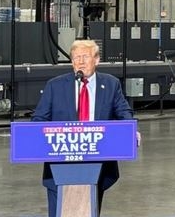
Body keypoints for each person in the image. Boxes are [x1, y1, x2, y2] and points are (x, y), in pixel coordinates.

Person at [32, 40, 136, 217]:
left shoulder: (111, 84)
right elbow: (39, 119)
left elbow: (123, 111)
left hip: (97, 163)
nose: (80, 62)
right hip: (60, 165)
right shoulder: (55, 85)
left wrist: (132, 130)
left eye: (85, 57)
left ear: (96, 60)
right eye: (76, 58)